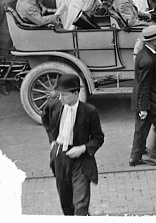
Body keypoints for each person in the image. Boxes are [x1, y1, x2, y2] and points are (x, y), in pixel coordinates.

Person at [41, 73, 104, 216]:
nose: (60, 98)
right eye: (59, 94)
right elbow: (44, 118)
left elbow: (98, 137)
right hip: (60, 158)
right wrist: (52, 140)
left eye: (64, 95)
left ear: (76, 94)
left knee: (80, 204)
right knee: (66, 203)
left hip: (81, 161)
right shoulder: (54, 106)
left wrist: (83, 148)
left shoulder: (89, 111)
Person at [130, 25, 156, 167]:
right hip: (150, 101)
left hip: (144, 100)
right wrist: (143, 108)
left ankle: (135, 158)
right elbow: (144, 85)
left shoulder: (145, 54)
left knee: (141, 129)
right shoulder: (148, 60)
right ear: (152, 41)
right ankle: (154, 156)